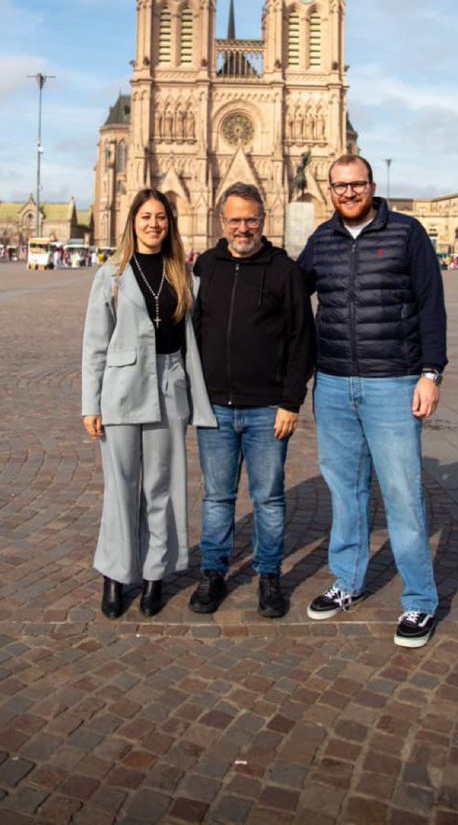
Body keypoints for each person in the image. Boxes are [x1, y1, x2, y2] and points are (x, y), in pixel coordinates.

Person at [298, 154, 447, 648]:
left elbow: (430, 303)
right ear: (329, 190)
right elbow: (291, 295)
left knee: (403, 495)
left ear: (372, 185)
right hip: (336, 383)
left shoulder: (406, 233)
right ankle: (349, 581)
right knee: (346, 492)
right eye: (339, 186)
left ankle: (420, 601)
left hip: (393, 383)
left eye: (356, 184)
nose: (348, 193)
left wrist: (430, 373)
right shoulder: (322, 239)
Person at [81, 189, 216, 620]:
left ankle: (156, 574)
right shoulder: (112, 273)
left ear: (169, 223)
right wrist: (90, 404)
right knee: (120, 487)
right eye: (146, 216)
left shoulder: (185, 275)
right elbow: (94, 346)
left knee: (163, 487)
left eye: (161, 217)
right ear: (133, 222)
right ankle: (116, 574)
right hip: (121, 391)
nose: (154, 223)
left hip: (169, 386)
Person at [189, 182, 314, 619]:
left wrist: (290, 402)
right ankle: (213, 573)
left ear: (264, 220)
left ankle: (268, 575)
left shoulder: (283, 270)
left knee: (269, 498)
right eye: (235, 219)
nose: (243, 228)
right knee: (217, 497)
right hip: (217, 409)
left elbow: (302, 340)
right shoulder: (206, 265)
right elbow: (191, 333)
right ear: (222, 221)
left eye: (251, 219)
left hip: (267, 410)